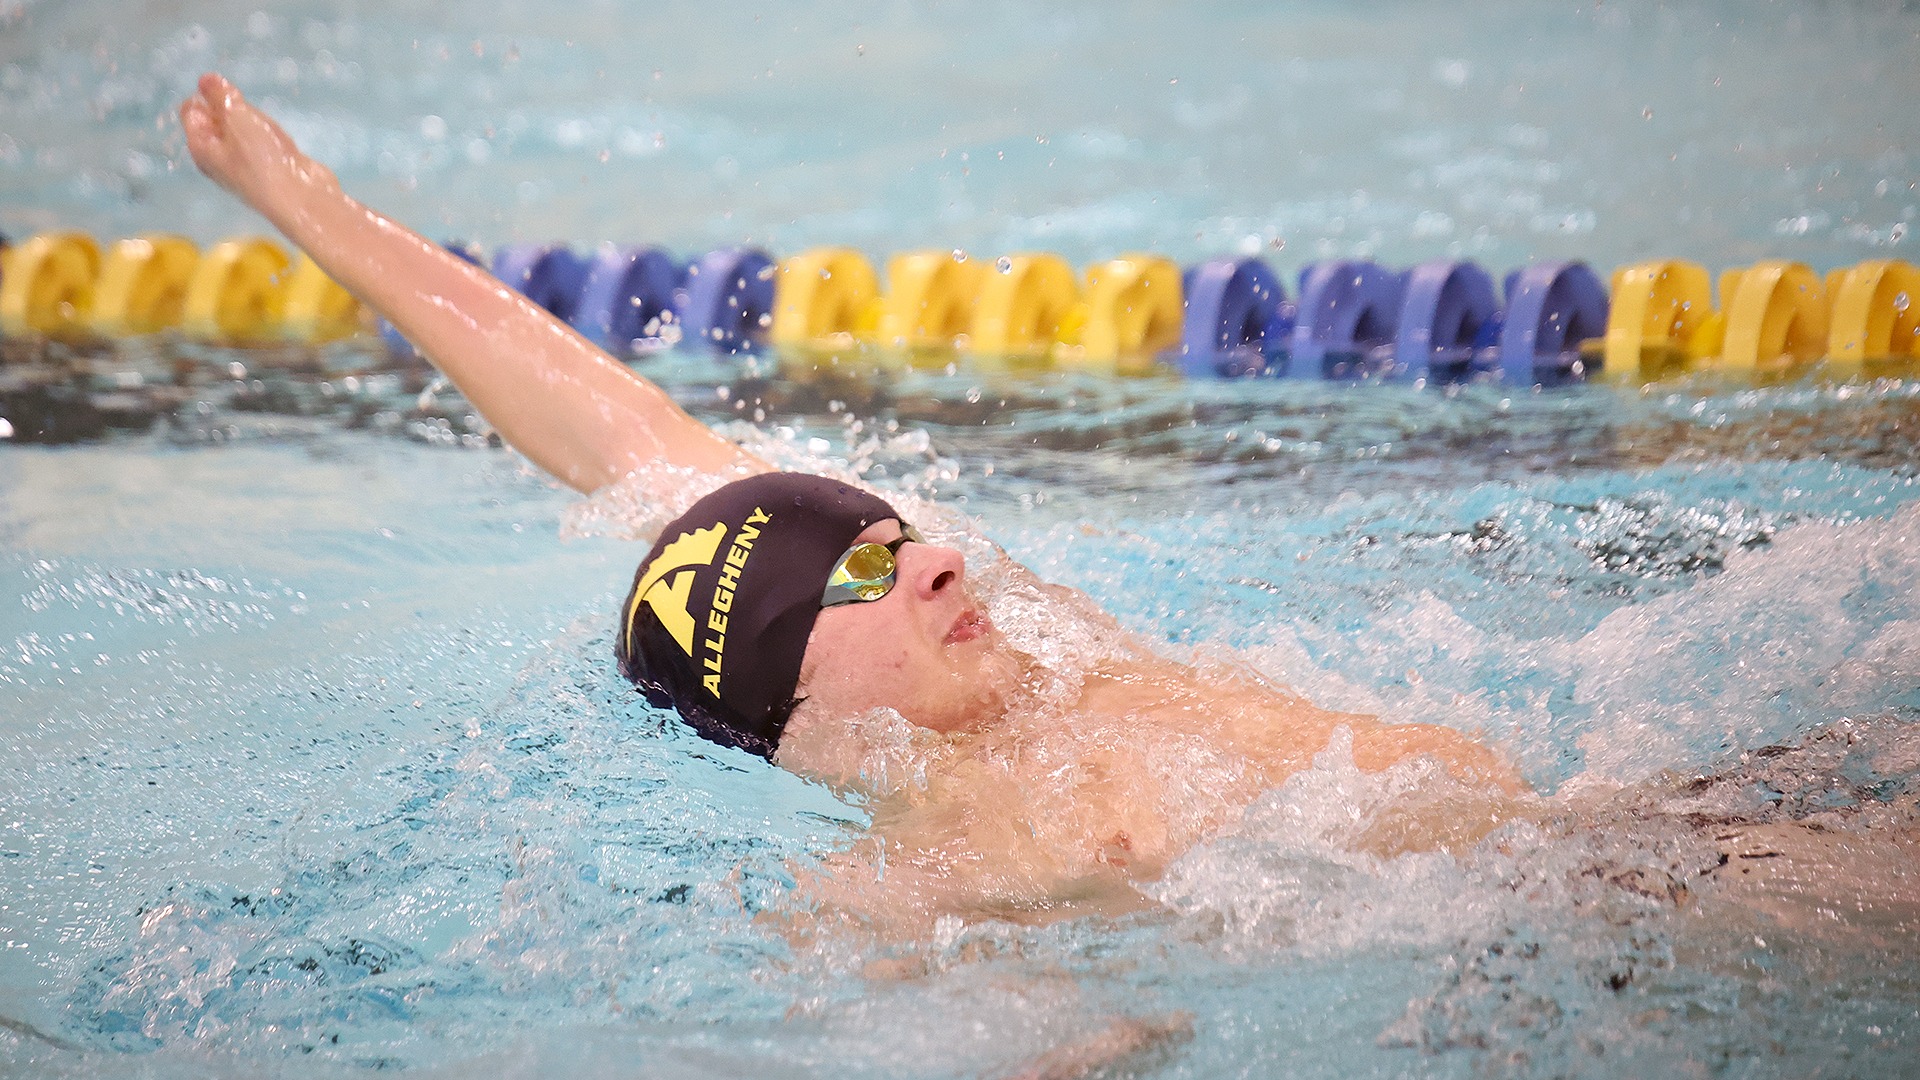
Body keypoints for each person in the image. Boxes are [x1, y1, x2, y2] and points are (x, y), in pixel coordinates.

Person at [181, 73, 1531, 936]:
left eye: (900, 538)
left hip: (1606, 823)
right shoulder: (938, 877)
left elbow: (616, 431)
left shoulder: (1043, 661)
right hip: (1548, 915)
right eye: (866, 576)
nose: (941, 562)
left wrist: (307, 206)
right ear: (802, 714)